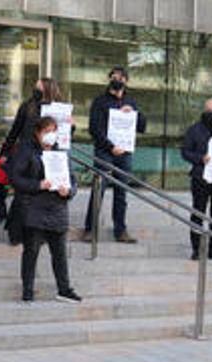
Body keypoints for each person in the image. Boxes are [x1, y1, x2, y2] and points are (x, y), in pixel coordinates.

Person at [8, 116, 81, 304]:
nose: (50, 136)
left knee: (60, 253)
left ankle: (64, 289)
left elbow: (73, 180)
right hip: (34, 207)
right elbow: (16, 178)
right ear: (38, 133)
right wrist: (38, 184)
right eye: (46, 131)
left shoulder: (61, 153)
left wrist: (69, 191)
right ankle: (28, 290)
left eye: (53, 131)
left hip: (57, 208)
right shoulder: (27, 151)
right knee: (31, 251)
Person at [82, 66, 147, 244]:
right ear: (109, 79)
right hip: (105, 152)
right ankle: (90, 229)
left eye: (120, 77)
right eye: (113, 77)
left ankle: (121, 230)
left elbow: (141, 127)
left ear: (126, 81)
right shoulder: (100, 101)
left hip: (124, 153)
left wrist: (134, 113)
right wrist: (111, 147)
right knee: (98, 189)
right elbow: (94, 129)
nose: (117, 79)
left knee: (121, 192)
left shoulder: (131, 102)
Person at [181, 98, 212, 260]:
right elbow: (185, 152)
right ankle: (197, 248)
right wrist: (200, 158)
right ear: (206, 110)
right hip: (200, 178)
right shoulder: (194, 130)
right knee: (198, 212)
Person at [2, 78, 65, 160]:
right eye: (36, 87)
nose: (36, 90)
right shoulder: (28, 106)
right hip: (27, 151)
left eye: (39, 88)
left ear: (48, 90)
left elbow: (63, 132)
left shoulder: (59, 108)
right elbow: (15, 130)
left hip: (49, 153)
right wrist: (5, 152)